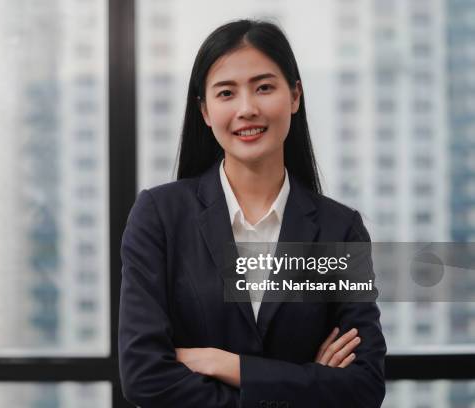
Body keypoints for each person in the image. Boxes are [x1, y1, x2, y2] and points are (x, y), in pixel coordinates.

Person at [118, 19, 386, 407]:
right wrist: (303, 383)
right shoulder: (159, 216)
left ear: (295, 96)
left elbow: (363, 387)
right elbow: (145, 377)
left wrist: (226, 364)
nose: (247, 109)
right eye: (226, 93)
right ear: (205, 111)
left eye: (264, 87)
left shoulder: (339, 231)